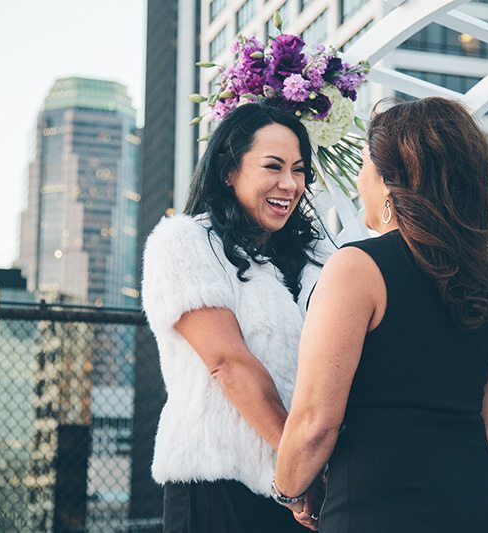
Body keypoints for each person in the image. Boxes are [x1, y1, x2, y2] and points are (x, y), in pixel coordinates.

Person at [273, 97, 488, 532]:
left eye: (365, 165)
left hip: (378, 508)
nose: (360, 180)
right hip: (478, 508)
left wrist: (291, 489)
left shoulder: (357, 268)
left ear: (390, 183)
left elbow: (314, 422)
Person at [141, 102, 331, 532]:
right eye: (273, 166)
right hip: (218, 487)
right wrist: (297, 470)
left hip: (309, 488)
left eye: (299, 170)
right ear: (230, 172)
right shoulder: (186, 243)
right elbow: (227, 363)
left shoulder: (321, 256)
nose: (289, 183)